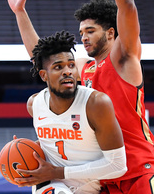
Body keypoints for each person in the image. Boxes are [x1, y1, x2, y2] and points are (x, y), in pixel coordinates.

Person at [4, 0, 154, 193]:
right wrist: (19, 12)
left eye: (90, 31)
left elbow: (126, 5)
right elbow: (44, 60)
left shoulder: (123, 60)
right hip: (104, 175)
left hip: (140, 170)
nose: (83, 37)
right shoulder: (85, 69)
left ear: (110, 33)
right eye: (81, 32)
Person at [12, 30, 127, 194]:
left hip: (88, 187)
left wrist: (59, 172)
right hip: (50, 183)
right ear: (44, 75)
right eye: (58, 67)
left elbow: (118, 166)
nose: (68, 71)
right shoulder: (34, 104)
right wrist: (24, 148)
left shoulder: (96, 103)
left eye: (71, 65)